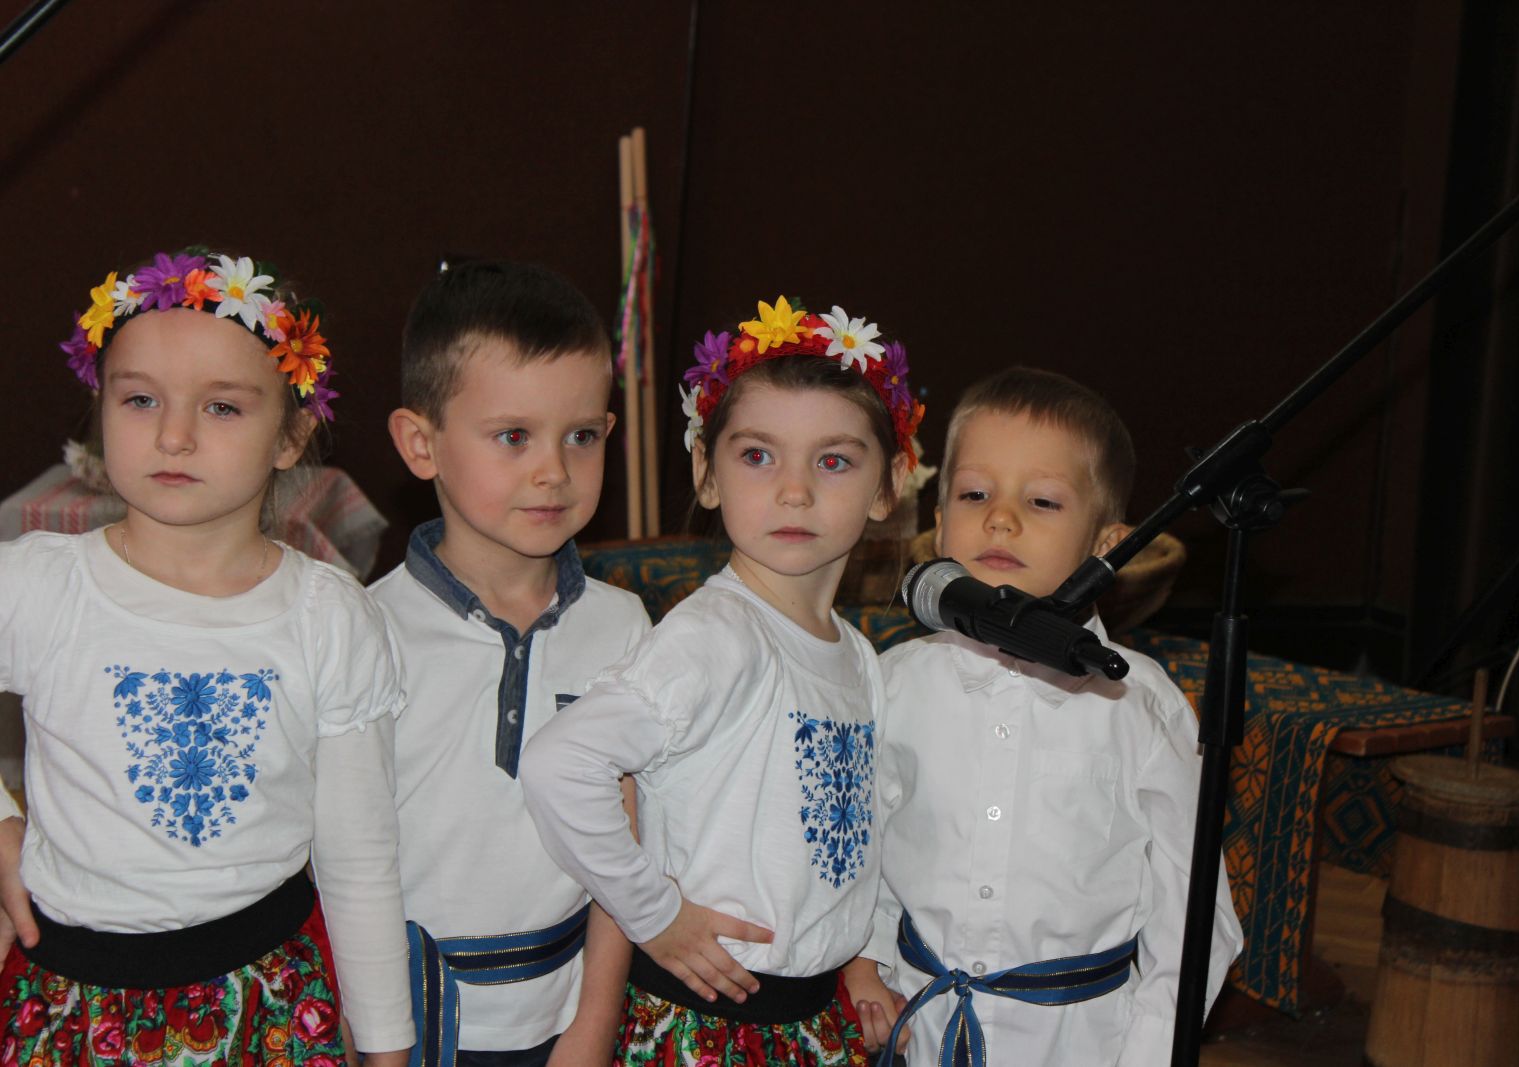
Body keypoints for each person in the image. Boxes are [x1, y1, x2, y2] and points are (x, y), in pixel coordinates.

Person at [0, 248, 412, 1063]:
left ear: (291, 435)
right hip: (70, 1004)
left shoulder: (327, 616)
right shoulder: (39, 585)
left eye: (221, 407)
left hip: (264, 1007)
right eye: (140, 399)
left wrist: (386, 1046)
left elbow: (359, 856)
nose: (174, 434)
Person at [523, 297, 922, 1066]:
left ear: (888, 486)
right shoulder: (716, 635)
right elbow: (560, 764)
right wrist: (655, 913)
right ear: (706, 472)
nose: (795, 490)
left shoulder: (858, 657)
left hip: (815, 1020)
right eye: (758, 456)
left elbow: (868, 828)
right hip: (704, 1024)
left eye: (833, 460)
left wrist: (865, 954)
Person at [844, 366, 1243, 1066]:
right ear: (939, 524)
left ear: (1107, 545)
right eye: (975, 493)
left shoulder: (1139, 704)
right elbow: (864, 849)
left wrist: (1150, 1053)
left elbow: (1194, 914)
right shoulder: (897, 680)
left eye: (1043, 501)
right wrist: (867, 960)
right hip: (921, 1029)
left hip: (1082, 1044)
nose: (1001, 517)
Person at [371, 260, 651, 1066]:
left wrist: (593, 1025)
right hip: (404, 1024)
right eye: (513, 436)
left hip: (568, 1020)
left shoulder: (625, 626)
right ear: (421, 443)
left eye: (582, 436)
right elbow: (343, 859)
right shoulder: (366, 629)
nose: (553, 471)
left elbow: (627, 848)